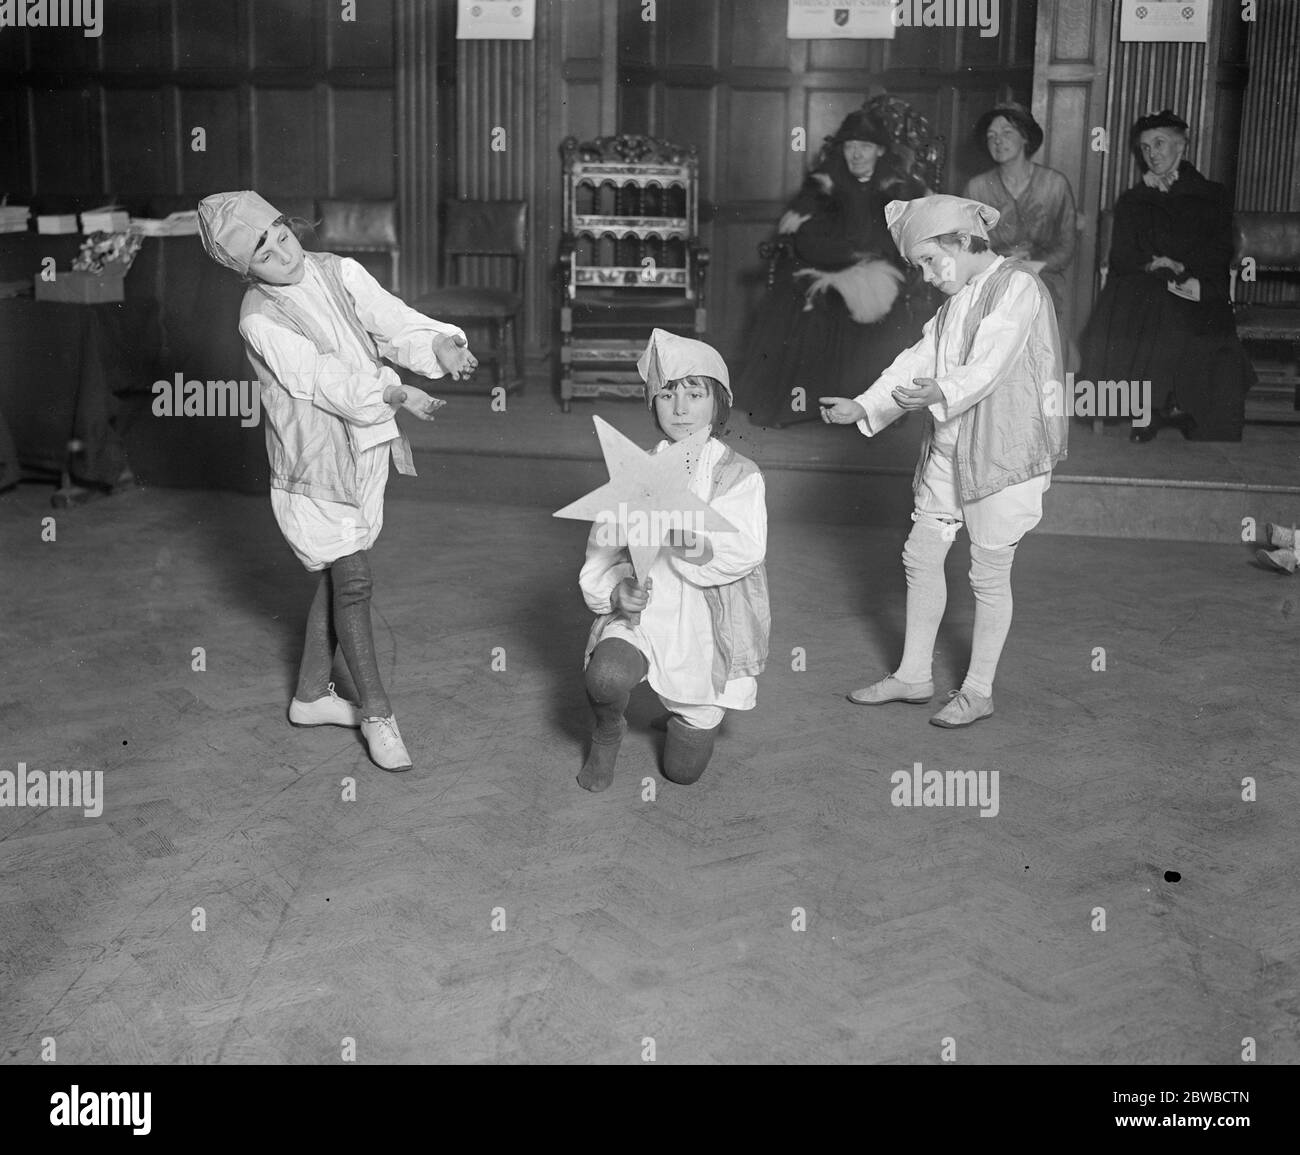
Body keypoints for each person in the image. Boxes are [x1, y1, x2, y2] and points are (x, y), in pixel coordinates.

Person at [197, 190, 477, 772]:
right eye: (263, 252)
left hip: (367, 448)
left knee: (339, 574)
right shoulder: (258, 318)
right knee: (353, 580)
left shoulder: (339, 270)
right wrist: (393, 392)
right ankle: (378, 714)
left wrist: (438, 345)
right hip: (316, 465)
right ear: (243, 269)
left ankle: (309, 697)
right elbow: (321, 379)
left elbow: (391, 320)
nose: (283, 252)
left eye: (281, 234)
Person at [819, 195, 1068, 727]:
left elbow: (992, 363)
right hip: (952, 444)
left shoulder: (1018, 287)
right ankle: (913, 674)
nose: (927, 276)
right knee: (921, 555)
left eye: (931, 261)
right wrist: (866, 403)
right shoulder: (955, 302)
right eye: (920, 267)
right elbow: (918, 358)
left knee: (988, 571)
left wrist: (940, 390)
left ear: (961, 241)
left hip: (1002, 449)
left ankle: (978, 690)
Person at [577, 328, 769, 791]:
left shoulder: (739, 476)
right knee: (604, 677)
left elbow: (745, 551)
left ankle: (690, 715)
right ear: (652, 404)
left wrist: (680, 536)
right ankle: (607, 731)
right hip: (645, 616)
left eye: (694, 393)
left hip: (706, 624)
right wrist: (617, 591)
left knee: (681, 774)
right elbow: (600, 552)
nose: (680, 409)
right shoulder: (634, 471)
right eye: (667, 394)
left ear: (717, 402)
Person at [741, 107, 929, 428]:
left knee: (874, 299)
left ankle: (868, 405)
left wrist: (873, 257)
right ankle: (804, 405)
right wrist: (851, 254)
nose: (856, 155)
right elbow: (806, 240)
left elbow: (906, 240)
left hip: (881, 271)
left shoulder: (899, 189)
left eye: (865, 147)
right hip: (823, 266)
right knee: (808, 301)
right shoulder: (823, 185)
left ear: (880, 150)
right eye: (850, 146)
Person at [1080, 109, 1255, 442]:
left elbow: (1219, 250)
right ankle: (1154, 407)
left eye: (1159, 144)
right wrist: (1151, 264)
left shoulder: (1211, 195)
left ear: (1182, 146)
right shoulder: (1134, 200)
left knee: (1174, 305)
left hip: (1197, 282)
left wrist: (1181, 268)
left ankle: (1169, 405)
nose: (1152, 154)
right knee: (1151, 299)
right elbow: (1120, 255)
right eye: (1145, 147)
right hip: (1144, 282)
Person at [963, 103, 1077, 321]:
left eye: (1007, 133)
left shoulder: (1054, 184)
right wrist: (1002, 267)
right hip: (992, 278)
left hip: (1043, 277)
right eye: (991, 136)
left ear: (1025, 137)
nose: (998, 140)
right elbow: (969, 246)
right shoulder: (976, 188)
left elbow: (1066, 246)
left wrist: (1032, 266)